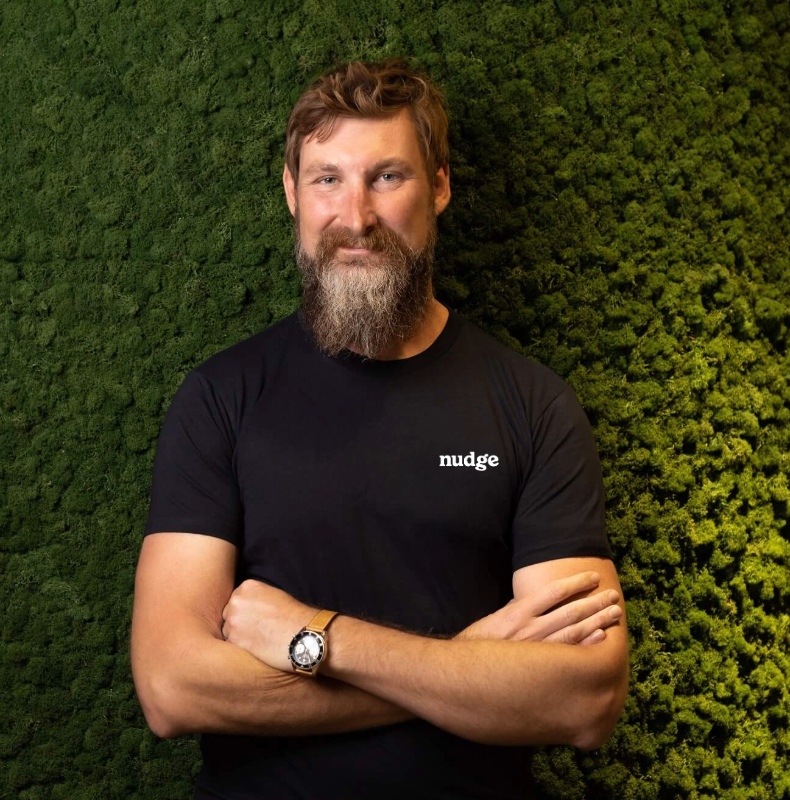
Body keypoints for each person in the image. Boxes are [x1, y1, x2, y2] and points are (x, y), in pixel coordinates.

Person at [131, 57, 629, 800]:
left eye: (387, 177)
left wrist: (316, 640)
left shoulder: (535, 406)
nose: (356, 215)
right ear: (291, 192)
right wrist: (470, 663)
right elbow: (172, 688)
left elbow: (585, 700)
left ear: (440, 186)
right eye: (327, 179)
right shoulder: (220, 399)